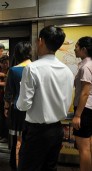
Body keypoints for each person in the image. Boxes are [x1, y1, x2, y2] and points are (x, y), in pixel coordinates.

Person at [16, 25, 74, 171]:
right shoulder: (67, 71)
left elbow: (23, 105)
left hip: (36, 131)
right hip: (57, 129)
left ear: (40, 41)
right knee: (49, 167)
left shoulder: (32, 68)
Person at [3, 41, 32, 169]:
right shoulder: (36, 67)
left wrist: (6, 108)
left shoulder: (14, 70)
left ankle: (17, 166)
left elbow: (9, 93)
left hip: (18, 109)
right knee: (29, 140)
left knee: (18, 141)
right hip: (33, 110)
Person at [72, 36, 92, 171]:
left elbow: (85, 92)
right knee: (88, 146)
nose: (75, 49)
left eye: (77, 46)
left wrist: (78, 115)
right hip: (89, 108)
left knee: (83, 148)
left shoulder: (86, 66)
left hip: (84, 110)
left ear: (84, 49)